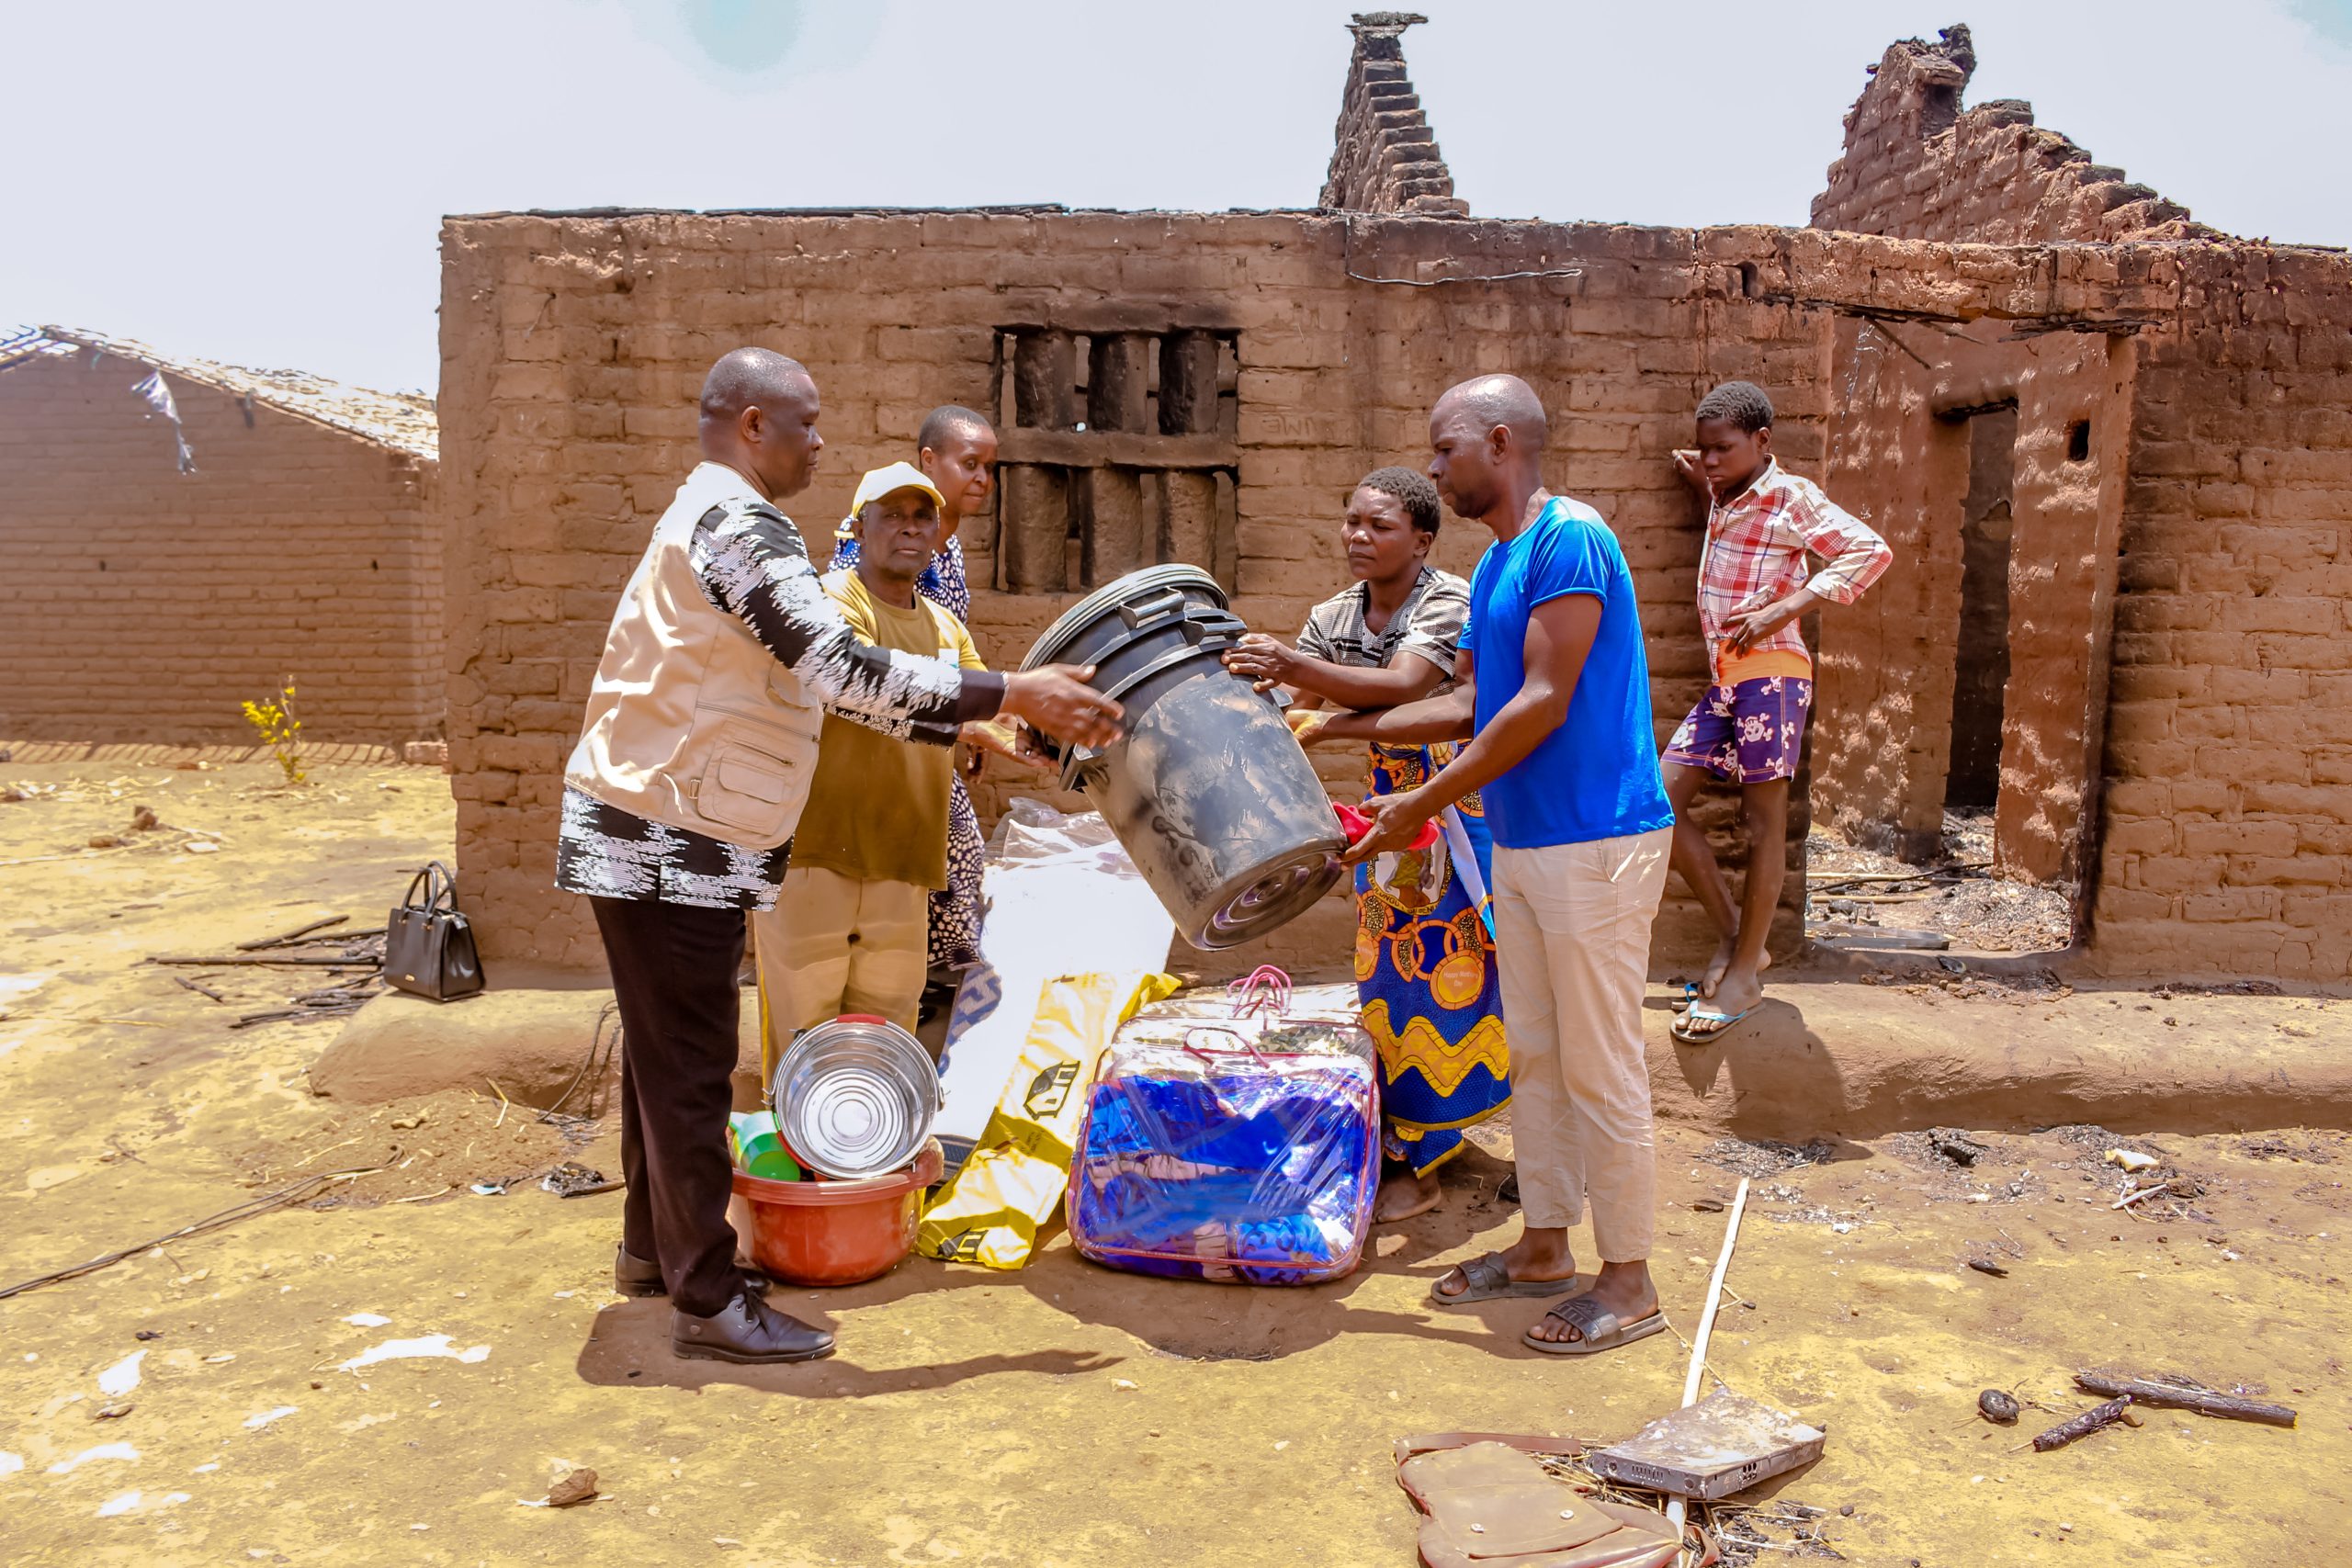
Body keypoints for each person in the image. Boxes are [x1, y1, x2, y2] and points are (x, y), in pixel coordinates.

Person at [555, 349, 1118, 1366]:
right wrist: (1013, 693)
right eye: (807, 424)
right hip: (670, 833)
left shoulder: (706, 512)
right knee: (688, 1071)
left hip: (654, 824)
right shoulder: (739, 523)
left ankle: (656, 1252)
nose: (821, 443)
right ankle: (710, 1298)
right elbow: (834, 665)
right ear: (754, 424)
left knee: (662, 1057)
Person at [1327, 374, 1677, 1356]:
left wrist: (1424, 804)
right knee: (1536, 1052)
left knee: (1600, 1063)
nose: (1435, 469)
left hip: (1596, 840)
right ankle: (1543, 1247)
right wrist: (1326, 719)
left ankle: (1630, 1280)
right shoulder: (1495, 567)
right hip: (1527, 842)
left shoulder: (1571, 539)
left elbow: (1541, 703)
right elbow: (1476, 706)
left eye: (1444, 451)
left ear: (1497, 442)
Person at [1220, 467, 1507, 1225]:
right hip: (1390, 817)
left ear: (1422, 539)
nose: (1358, 537)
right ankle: (1413, 1137)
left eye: (1379, 526)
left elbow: (1408, 683)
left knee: (1452, 974)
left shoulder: (1445, 601)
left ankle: (1427, 1157)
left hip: (1453, 808)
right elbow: (1295, 709)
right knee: (1384, 969)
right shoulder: (1333, 614)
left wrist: (1297, 676)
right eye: (1352, 522)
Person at [753, 461, 1035, 1078]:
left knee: (886, 1052)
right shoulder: (829, 602)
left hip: (904, 870)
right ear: (859, 526)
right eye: (893, 515)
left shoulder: (944, 627)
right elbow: (860, 694)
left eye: (922, 516)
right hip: (811, 861)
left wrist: (1027, 732)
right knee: (807, 1047)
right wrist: (985, 707)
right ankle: (804, 1176)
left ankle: (878, 1179)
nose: (910, 528)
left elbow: (979, 712)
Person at [1664, 380, 1891, 1043]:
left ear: (1763, 442)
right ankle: (1741, 939)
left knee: (1764, 825)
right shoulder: (1723, 488)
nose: (1710, 459)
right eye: (1704, 449)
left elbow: (1869, 550)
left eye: (1723, 449)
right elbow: (1711, 479)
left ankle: (1743, 978)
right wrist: (1702, 473)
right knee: (1657, 801)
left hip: (1773, 678)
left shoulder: (1790, 496)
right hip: (1728, 681)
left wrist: (1784, 607)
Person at [829, 406, 1001, 975]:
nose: (981, 479)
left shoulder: (945, 550)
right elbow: (864, 661)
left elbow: (951, 649)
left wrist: (969, 724)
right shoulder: (877, 550)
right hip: (880, 730)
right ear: (929, 460)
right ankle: (930, 979)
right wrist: (963, 717)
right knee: (947, 851)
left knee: (945, 854)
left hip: (930, 729)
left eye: (988, 469)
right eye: (969, 464)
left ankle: (923, 982)